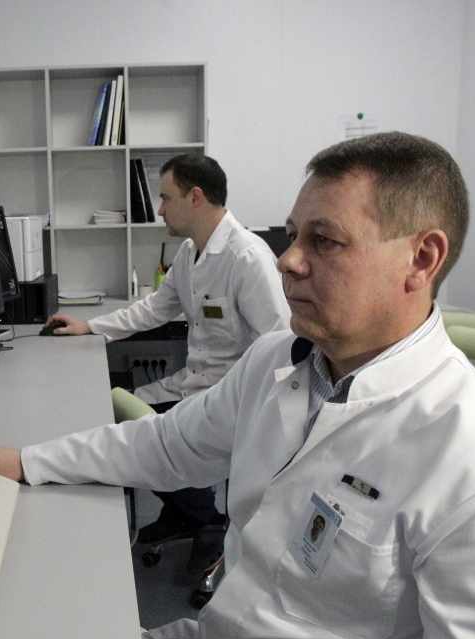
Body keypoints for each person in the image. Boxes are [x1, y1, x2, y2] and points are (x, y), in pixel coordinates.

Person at [0, 131, 475, 639]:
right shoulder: (278, 362)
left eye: (325, 240)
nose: (287, 260)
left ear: (421, 259)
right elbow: (167, 445)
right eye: (293, 236)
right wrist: (29, 461)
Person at [43, 153, 290, 565]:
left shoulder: (246, 257)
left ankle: (206, 519)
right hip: (193, 385)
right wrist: (90, 326)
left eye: (165, 198)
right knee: (119, 411)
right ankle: (189, 512)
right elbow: (154, 309)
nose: (159, 210)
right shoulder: (191, 252)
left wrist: (260, 426)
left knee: (140, 436)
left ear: (195, 197)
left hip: (231, 400)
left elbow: (280, 345)